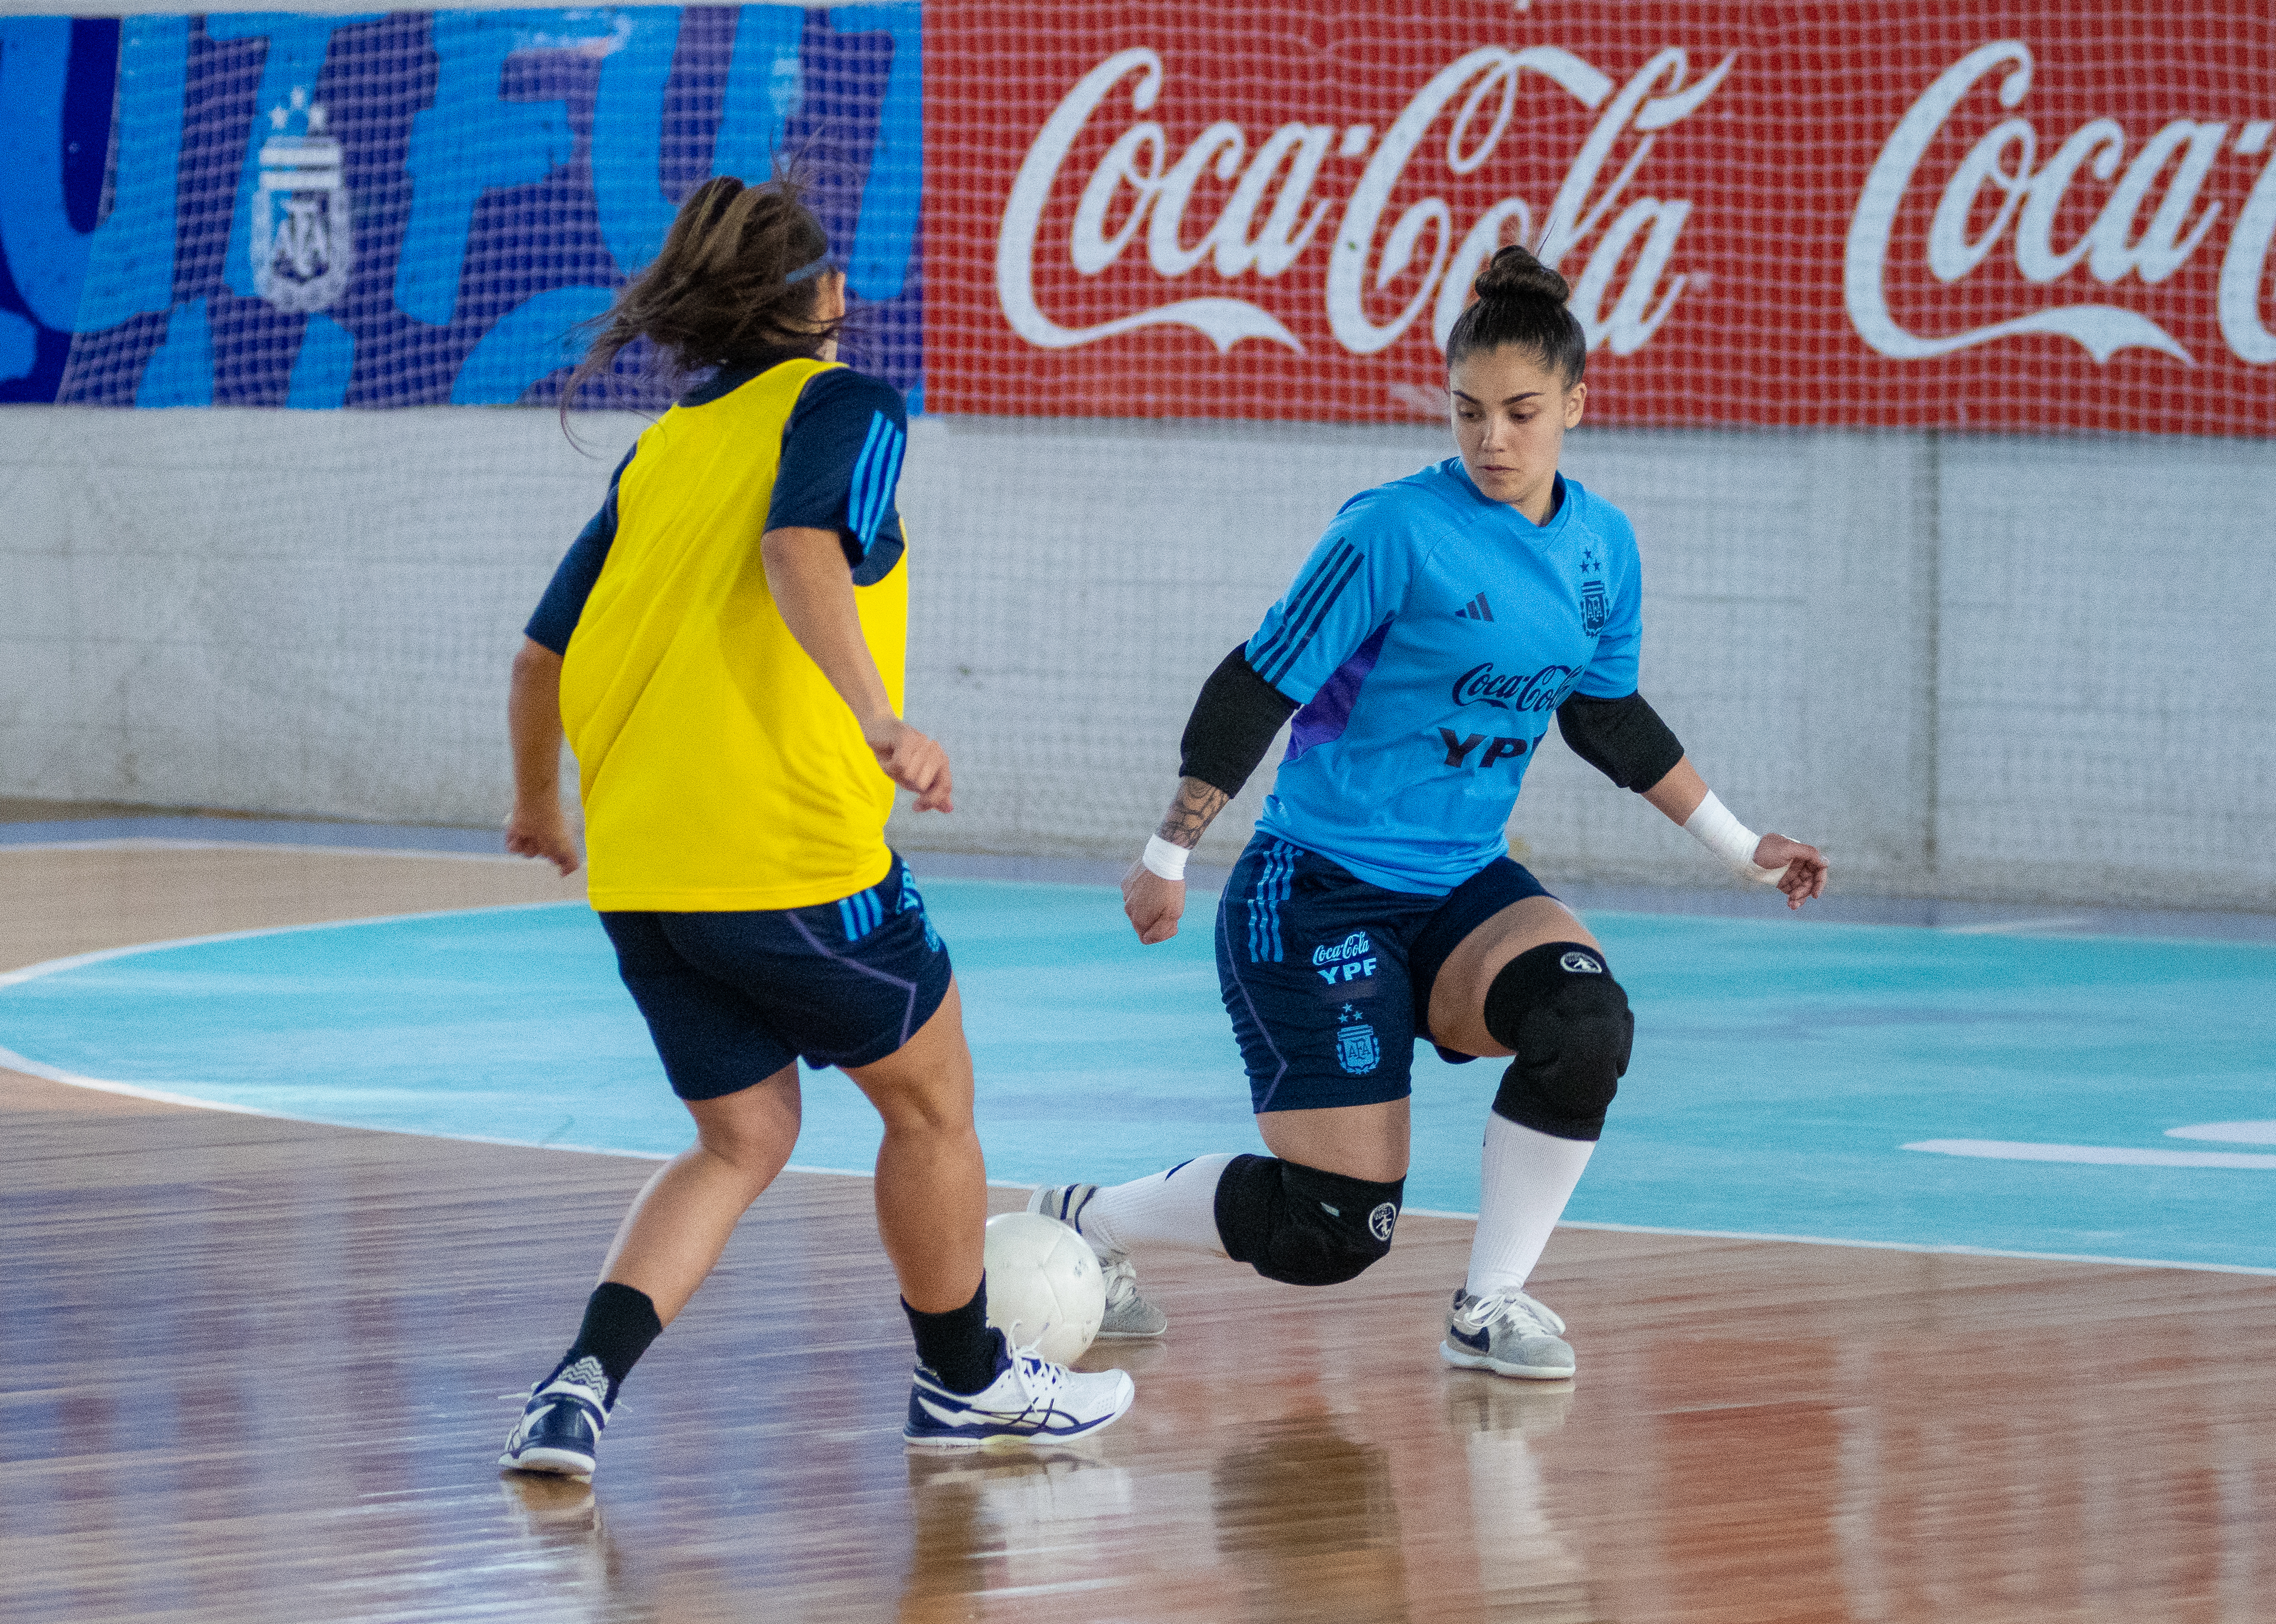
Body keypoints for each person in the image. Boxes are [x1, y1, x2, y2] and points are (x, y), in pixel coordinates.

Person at [1028, 246, 1828, 1380]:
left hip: (1458, 883)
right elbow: (1253, 683)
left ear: (1574, 406)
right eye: (1466, 413)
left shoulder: (1602, 550)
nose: (1491, 439)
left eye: (1519, 412)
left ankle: (1489, 1303)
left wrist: (1741, 844)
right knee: (1333, 1231)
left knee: (1584, 1024)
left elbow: (1602, 715)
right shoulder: (1391, 533)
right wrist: (1167, 850)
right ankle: (1085, 1219)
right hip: (1312, 890)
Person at [495, 175, 1131, 1473]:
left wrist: (533, 804)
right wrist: (881, 722)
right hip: (785, 855)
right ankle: (963, 1384)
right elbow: (801, 549)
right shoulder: (847, 403)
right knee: (934, 1107)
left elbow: (536, 658)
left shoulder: (663, 450)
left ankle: (573, 1394)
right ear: (826, 296)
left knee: (742, 1138)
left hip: (642, 873)